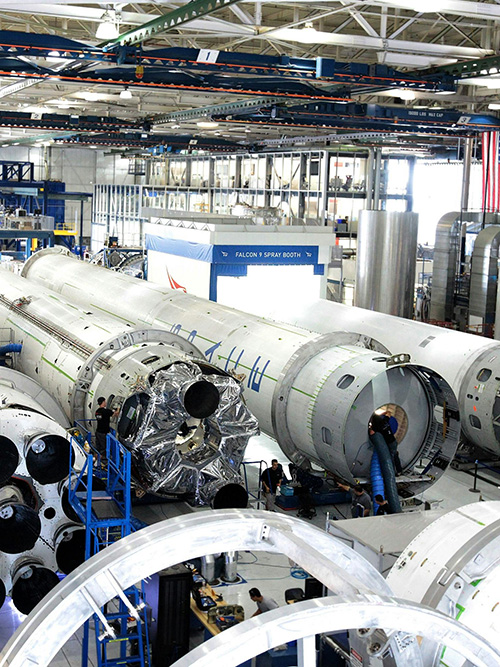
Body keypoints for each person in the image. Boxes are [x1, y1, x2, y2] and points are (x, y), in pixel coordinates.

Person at [95, 397, 119, 463]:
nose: (106, 403)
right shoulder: (106, 411)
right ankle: (102, 462)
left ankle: (96, 460)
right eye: (105, 401)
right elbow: (116, 414)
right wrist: (118, 408)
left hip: (98, 431)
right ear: (103, 402)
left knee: (98, 447)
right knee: (104, 448)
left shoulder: (97, 411)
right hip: (103, 433)